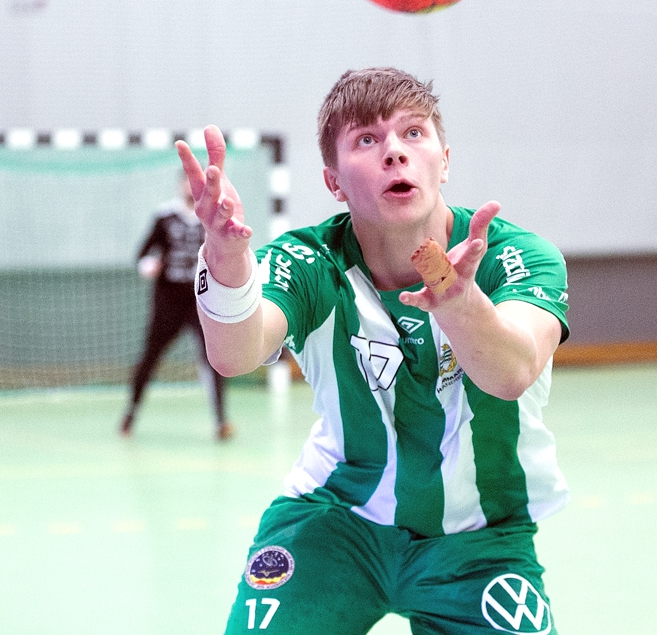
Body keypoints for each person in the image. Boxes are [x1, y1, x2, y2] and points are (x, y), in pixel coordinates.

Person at [177, 67, 570, 634]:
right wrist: (225, 255)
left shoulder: (515, 256)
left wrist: (460, 303)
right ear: (334, 182)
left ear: (444, 161)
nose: (394, 152)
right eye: (366, 139)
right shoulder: (310, 262)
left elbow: (512, 372)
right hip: (336, 523)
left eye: (413, 132)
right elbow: (234, 355)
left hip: (480, 542)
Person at [120, 176, 234, 441]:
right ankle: (130, 413)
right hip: (168, 300)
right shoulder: (165, 217)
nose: (191, 187)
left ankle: (221, 421)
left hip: (201, 301)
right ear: (180, 185)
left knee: (213, 359)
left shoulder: (213, 218)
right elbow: (143, 254)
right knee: (150, 356)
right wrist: (148, 265)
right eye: (187, 181)